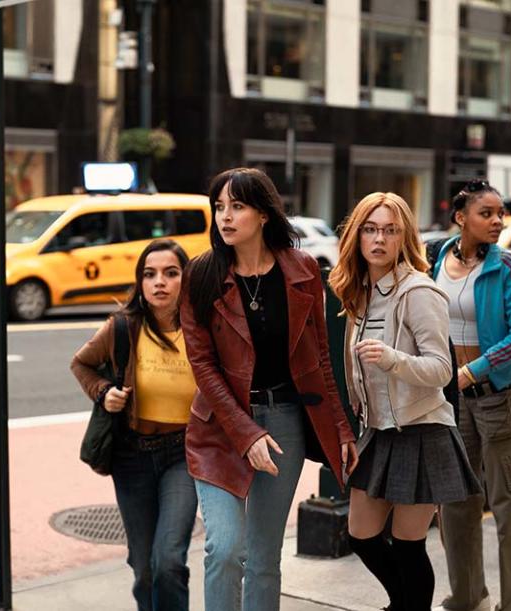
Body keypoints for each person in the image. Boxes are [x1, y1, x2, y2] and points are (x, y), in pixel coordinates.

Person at [180, 167, 358, 611]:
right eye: (219, 207)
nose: (225, 216)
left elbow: (320, 359)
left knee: (263, 557)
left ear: (263, 213)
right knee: (224, 550)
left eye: (237, 206)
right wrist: (246, 434)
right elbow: (203, 366)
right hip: (220, 430)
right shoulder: (201, 275)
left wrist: (341, 429)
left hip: (285, 424)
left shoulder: (300, 269)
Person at [329, 192, 481, 611]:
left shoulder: (419, 292)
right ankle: (405, 605)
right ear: (357, 235)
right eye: (370, 229)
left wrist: (392, 359)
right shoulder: (359, 293)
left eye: (390, 230)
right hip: (379, 431)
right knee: (361, 534)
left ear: (405, 238)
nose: (379, 239)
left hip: (423, 430)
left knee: (410, 544)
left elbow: (440, 370)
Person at [432, 179, 511, 611]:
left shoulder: (509, 265)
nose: (497, 221)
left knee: (510, 507)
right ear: (461, 218)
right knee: (456, 504)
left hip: (499, 398)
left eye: (501, 213)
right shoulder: (440, 256)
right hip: (453, 400)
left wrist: (470, 371)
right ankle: (466, 595)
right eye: (487, 213)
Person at [71, 239, 197, 611]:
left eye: (171, 273)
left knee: (169, 562)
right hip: (132, 458)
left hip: (183, 456)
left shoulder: (202, 330)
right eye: (149, 274)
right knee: (143, 569)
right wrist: (103, 391)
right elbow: (81, 364)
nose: (159, 282)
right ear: (140, 282)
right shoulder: (123, 327)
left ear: (185, 280)